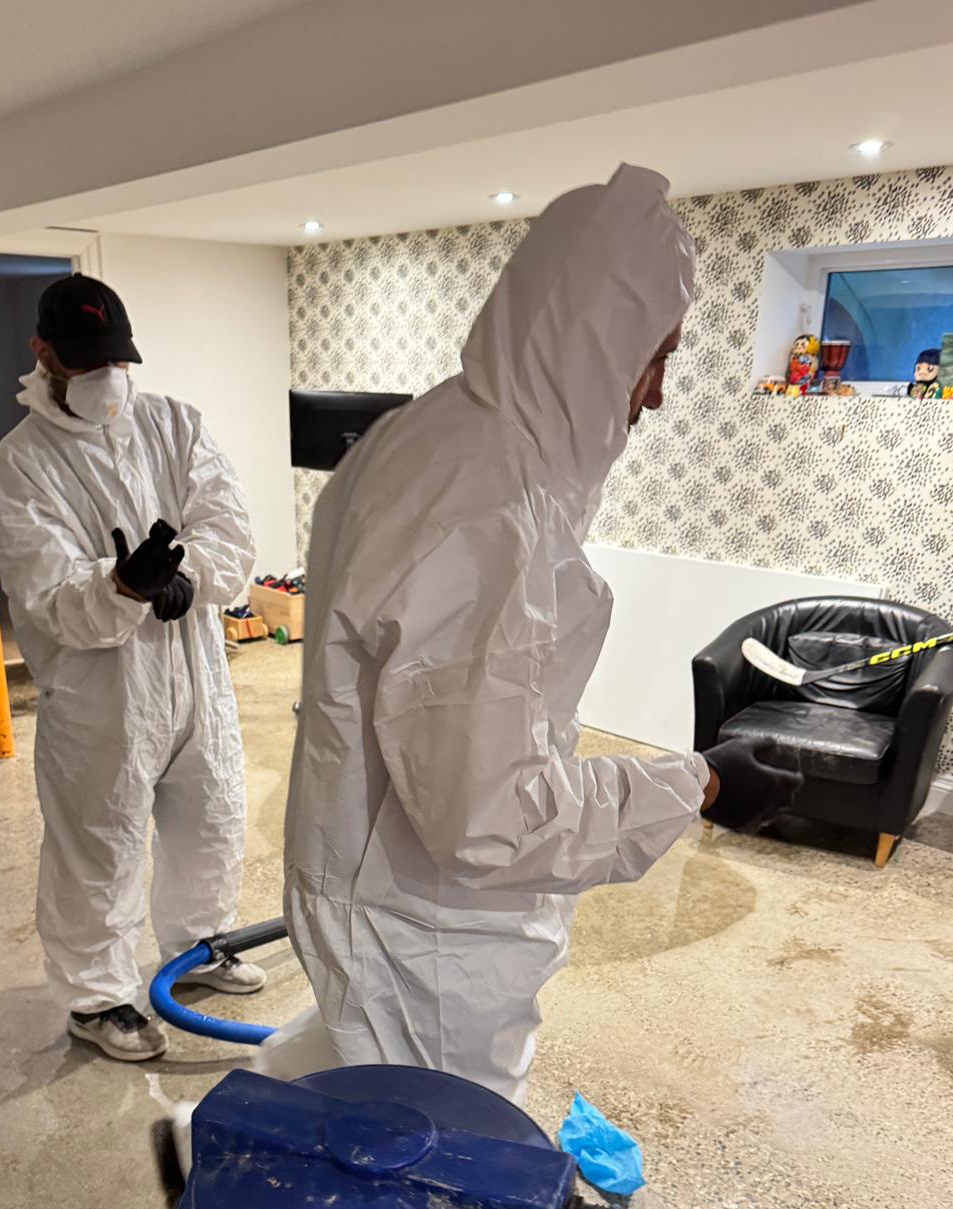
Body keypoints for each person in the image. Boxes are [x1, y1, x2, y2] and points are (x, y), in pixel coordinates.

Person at [252, 164, 800, 1105]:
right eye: (655, 357)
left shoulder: (429, 437)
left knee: (351, 1069)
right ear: (594, 338)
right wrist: (694, 783)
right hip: (429, 928)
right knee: (436, 1157)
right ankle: (234, 1165)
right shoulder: (487, 507)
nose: (656, 396)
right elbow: (485, 818)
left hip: (380, 883)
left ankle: (212, 1135)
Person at [0, 274, 265, 1063]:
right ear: (45, 355)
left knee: (208, 814)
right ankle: (96, 995)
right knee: (98, 842)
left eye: (114, 358)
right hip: (99, 694)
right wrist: (121, 587)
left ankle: (197, 948)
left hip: (196, 675)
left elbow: (229, 529)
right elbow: (43, 592)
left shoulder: (175, 426)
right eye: (84, 359)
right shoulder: (20, 465)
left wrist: (187, 577)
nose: (106, 375)